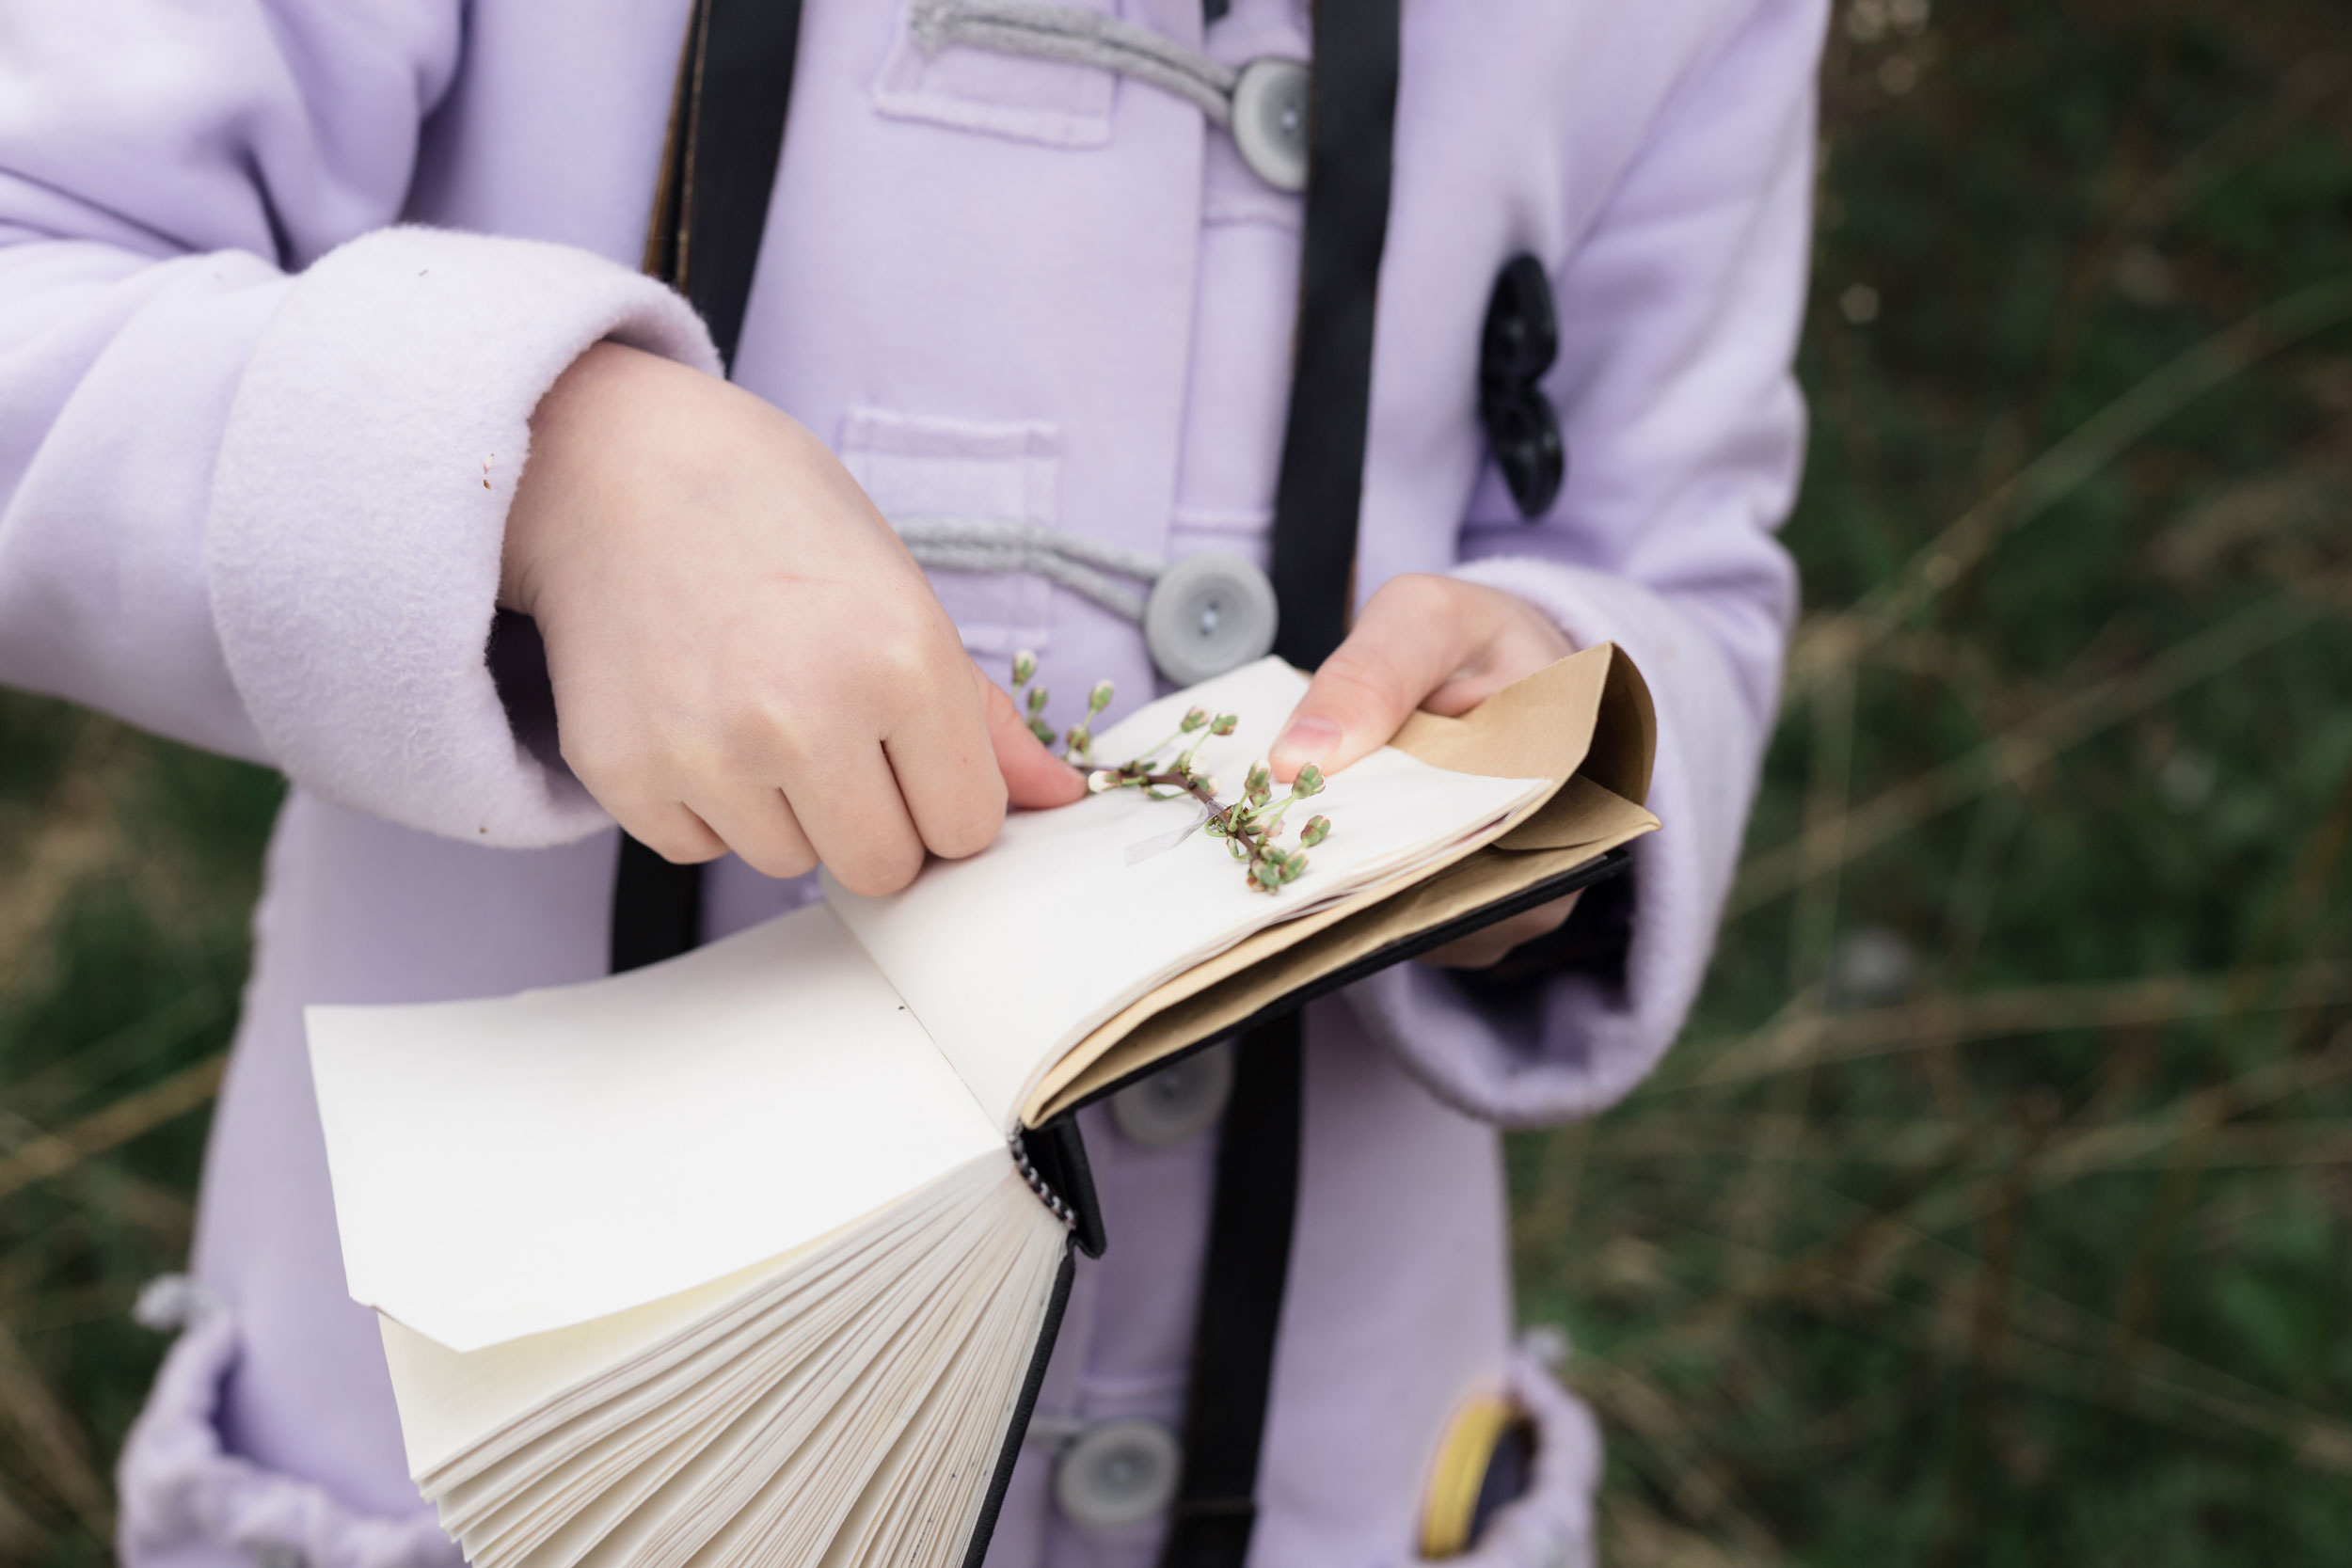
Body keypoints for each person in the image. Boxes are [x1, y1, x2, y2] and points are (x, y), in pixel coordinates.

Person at [0, 0, 1822, 1563]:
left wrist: (1551, 745)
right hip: (511, 1434)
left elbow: (1673, 545)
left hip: (1321, 1431)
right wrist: (542, 471)